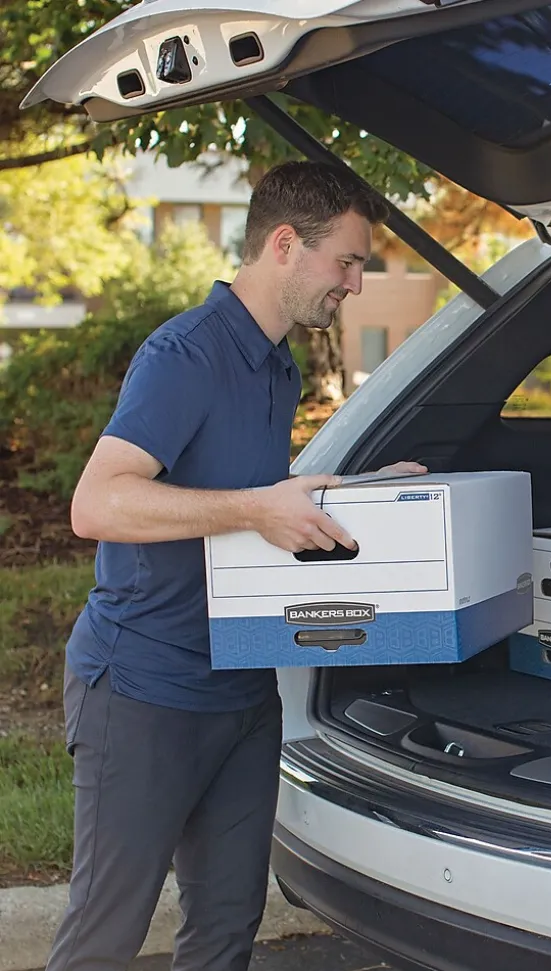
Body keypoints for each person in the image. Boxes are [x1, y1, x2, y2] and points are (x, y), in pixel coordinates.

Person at [45, 161, 426, 971]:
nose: (356, 285)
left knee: (225, 930)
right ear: (285, 245)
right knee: (104, 940)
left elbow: (254, 494)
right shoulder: (186, 354)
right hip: (146, 689)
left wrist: (362, 499)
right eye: (347, 262)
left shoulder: (279, 363)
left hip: (242, 685)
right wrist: (256, 509)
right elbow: (99, 503)